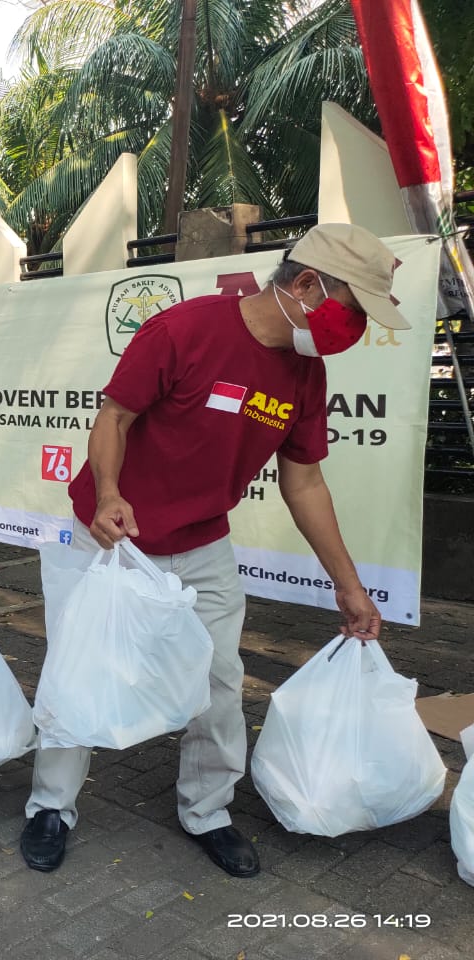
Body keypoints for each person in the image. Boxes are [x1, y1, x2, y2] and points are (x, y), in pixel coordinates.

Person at [20, 223, 410, 880]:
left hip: (202, 546)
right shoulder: (184, 331)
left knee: (220, 683)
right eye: (355, 310)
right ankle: (51, 806)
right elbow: (114, 417)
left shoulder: (305, 376)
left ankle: (207, 811)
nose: (358, 330)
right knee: (79, 669)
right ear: (308, 285)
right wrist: (109, 492)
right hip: (108, 538)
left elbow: (305, 480)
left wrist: (349, 585)